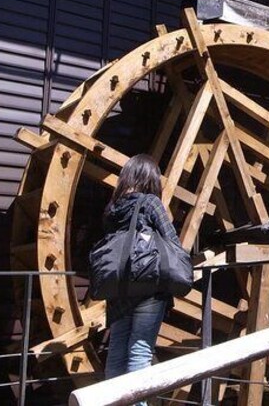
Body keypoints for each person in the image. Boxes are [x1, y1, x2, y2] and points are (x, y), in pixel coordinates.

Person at [101, 154, 178, 386]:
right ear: (151, 179)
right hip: (148, 288)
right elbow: (172, 241)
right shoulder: (150, 202)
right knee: (140, 352)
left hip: (118, 291)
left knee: (116, 353)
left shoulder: (113, 208)